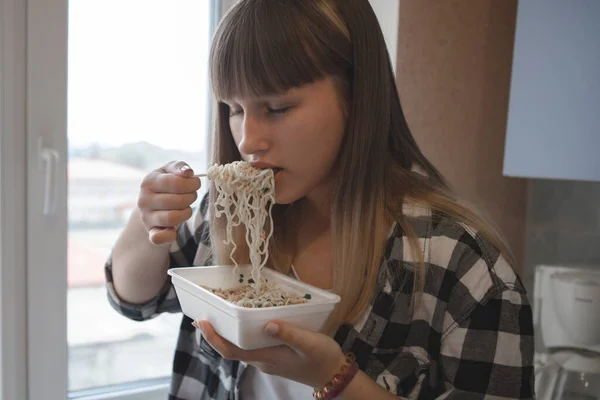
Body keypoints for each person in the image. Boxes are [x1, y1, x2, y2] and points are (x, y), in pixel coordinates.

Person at [104, 0, 535, 399]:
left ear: (356, 96)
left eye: (276, 108)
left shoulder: (461, 265)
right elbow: (132, 299)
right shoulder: (226, 210)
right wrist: (149, 218)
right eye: (234, 109)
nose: (247, 141)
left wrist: (335, 379)